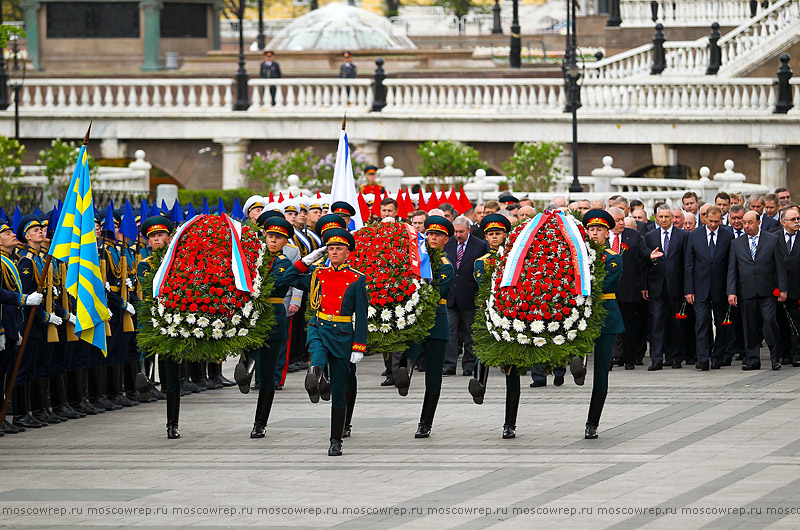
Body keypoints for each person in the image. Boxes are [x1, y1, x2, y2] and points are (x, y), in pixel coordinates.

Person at [296, 228, 366, 456]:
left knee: (339, 389)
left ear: (348, 253)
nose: (334, 252)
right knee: (316, 354)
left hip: (343, 334)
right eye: (331, 248)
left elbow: (362, 315)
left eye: (339, 249)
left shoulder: (356, 278)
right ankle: (314, 378)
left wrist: (359, 346)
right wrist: (306, 261)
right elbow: (285, 278)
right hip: (319, 326)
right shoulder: (318, 273)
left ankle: (336, 440)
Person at [394, 216, 454, 438]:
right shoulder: (416, 258)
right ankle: (403, 373)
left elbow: (434, 291)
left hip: (436, 322)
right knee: (408, 352)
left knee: (433, 377)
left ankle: (425, 422)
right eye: (429, 234)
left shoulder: (445, 266)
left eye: (437, 235)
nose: (432, 238)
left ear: (446, 240)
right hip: (416, 320)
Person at [467, 214, 521, 438]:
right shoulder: (482, 262)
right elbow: (484, 288)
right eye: (490, 234)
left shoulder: (516, 259)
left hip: (512, 318)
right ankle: (479, 383)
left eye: (498, 233)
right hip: (489, 315)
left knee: (513, 373)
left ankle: (510, 423)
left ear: (505, 235)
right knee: (483, 353)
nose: (494, 237)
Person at [576, 209, 623, 439]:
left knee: (602, 371)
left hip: (605, 314)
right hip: (581, 314)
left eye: (599, 229)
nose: (594, 233)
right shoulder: (578, 256)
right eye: (591, 229)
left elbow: (601, 285)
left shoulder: (613, 257)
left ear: (607, 232)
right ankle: (578, 363)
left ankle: (592, 422)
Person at [136, 216, 181, 438]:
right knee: (154, 363)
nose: (156, 239)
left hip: (174, 323)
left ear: (169, 237)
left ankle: (173, 423)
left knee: (173, 376)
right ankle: (144, 381)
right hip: (154, 322)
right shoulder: (145, 265)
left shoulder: (179, 261)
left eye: (160, 235)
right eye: (152, 236)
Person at [727, 211, 787, 370]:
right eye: (744, 223)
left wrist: (783, 289)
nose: (746, 226)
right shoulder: (736, 243)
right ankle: (752, 360)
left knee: (769, 322)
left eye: (749, 222)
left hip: (768, 291)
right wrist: (731, 291)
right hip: (746, 291)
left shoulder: (772, 240)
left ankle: (775, 357)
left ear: (758, 222)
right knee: (749, 327)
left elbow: (779, 267)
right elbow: (732, 269)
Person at [685, 206, 734, 370]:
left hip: (721, 288)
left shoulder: (728, 235)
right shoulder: (694, 235)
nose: (713, 225)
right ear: (704, 218)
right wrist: (689, 290)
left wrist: (730, 290)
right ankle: (703, 358)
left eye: (717, 221)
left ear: (721, 219)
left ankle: (717, 356)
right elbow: (689, 264)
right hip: (700, 288)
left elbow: (731, 264)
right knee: (701, 323)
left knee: (721, 324)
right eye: (710, 221)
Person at [607, 207, 655, 370]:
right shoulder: (602, 236)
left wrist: (651, 256)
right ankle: (609, 360)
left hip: (629, 289)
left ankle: (629, 359)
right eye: (618, 220)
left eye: (623, 219)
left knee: (629, 327)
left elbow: (644, 253)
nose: (621, 223)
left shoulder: (633, 236)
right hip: (608, 290)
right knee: (608, 327)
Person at [443, 216, 488, 376]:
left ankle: (469, 365)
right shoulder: (448, 243)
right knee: (450, 331)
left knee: (470, 333)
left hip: (470, 296)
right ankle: (449, 364)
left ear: (468, 230)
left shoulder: (480, 245)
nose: (458, 235)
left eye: (461, 232)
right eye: (455, 231)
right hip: (451, 296)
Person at [644, 205, 687, 370]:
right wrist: (645, 286)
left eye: (667, 217)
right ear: (656, 217)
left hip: (676, 287)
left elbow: (686, 263)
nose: (663, 220)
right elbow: (645, 263)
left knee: (676, 324)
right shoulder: (649, 236)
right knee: (657, 324)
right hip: (656, 287)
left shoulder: (682, 236)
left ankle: (675, 358)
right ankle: (656, 359)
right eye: (660, 217)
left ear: (672, 218)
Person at [775, 208, 800, 366]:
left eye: (798, 218)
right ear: (783, 222)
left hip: (797, 287)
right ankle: (785, 352)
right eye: (793, 219)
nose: (797, 222)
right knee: (781, 322)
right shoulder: (773, 237)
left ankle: (797, 353)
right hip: (779, 289)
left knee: (797, 322)